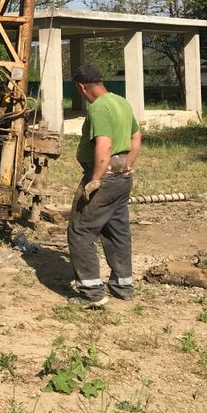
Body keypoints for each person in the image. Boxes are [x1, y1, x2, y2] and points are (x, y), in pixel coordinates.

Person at [67, 64, 142, 308]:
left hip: (105, 177)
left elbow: (104, 145)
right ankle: (123, 285)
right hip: (122, 177)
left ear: (81, 87)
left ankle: (92, 293)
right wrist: (127, 164)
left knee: (80, 230)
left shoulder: (98, 108)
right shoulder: (121, 102)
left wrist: (96, 178)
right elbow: (136, 136)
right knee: (117, 230)